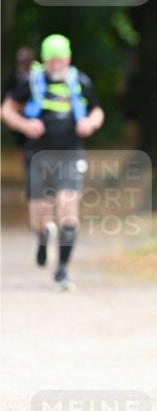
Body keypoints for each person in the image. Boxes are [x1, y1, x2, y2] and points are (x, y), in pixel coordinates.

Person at [0, 34, 105, 290]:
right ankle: (42, 236)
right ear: (45, 61)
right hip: (37, 155)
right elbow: (6, 110)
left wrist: (89, 124)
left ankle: (62, 271)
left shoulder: (80, 82)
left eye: (61, 59)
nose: (56, 64)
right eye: (51, 60)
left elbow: (97, 110)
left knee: (68, 209)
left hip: (70, 154)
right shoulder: (30, 82)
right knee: (39, 216)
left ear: (68, 58)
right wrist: (25, 125)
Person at [2, 46, 35, 149]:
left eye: (26, 61)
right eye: (22, 61)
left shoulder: (36, 78)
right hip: (18, 117)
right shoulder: (12, 78)